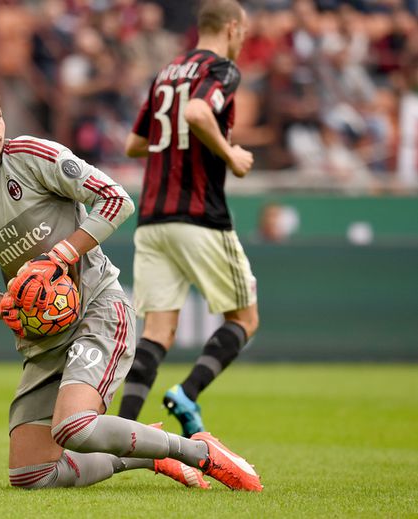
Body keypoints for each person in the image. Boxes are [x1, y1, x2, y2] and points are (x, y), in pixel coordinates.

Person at [0, 85, 262, 491]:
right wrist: (1, 303)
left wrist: (59, 255)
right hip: (43, 339)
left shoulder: (32, 157)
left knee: (74, 427)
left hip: (97, 309)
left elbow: (116, 199)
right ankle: (149, 458)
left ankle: (199, 452)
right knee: (31, 476)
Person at [119, 0, 260, 439]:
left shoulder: (167, 72)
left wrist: (172, 142)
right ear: (233, 28)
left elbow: (133, 144)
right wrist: (230, 153)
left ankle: (118, 432)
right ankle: (188, 393)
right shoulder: (221, 69)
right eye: (244, 34)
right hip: (199, 214)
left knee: (158, 331)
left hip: (153, 218)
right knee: (244, 319)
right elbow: (198, 113)